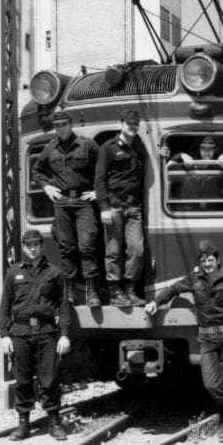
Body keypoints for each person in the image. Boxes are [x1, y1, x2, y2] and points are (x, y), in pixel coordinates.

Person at [144, 240, 223, 442]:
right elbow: (173, 289)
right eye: (203, 260)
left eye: (210, 260)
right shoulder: (194, 279)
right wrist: (155, 302)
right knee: (211, 384)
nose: (207, 264)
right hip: (207, 341)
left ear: (217, 259)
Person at [0, 229, 71, 441]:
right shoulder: (13, 273)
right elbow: (4, 306)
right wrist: (4, 335)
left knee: (49, 380)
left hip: (47, 332)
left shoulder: (55, 272)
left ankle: (54, 422)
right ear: (23, 247)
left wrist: (64, 334)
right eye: (28, 245)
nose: (32, 248)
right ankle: (23, 424)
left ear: (42, 246)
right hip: (20, 333)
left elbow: (64, 306)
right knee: (22, 380)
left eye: (36, 245)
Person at [32, 111, 101, 307]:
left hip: (83, 201)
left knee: (87, 245)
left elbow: (104, 167)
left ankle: (92, 291)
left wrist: (98, 191)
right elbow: (36, 170)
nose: (61, 128)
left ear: (70, 124)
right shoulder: (50, 148)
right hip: (61, 202)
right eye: (58, 125)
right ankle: (69, 291)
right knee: (66, 247)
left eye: (64, 124)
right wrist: (46, 186)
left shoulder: (86, 144)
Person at [94, 110, 147, 307]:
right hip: (114, 206)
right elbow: (99, 180)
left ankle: (130, 289)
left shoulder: (140, 145)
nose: (133, 127)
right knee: (113, 251)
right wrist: (104, 207)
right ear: (120, 123)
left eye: (136, 123)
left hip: (134, 207)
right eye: (129, 123)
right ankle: (115, 292)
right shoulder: (108, 148)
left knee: (137, 249)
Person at [162, 136, 223, 203]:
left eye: (211, 148)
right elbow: (166, 169)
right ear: (199, 149)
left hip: (214, 210)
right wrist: (180, 156)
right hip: (189, 210)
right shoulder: (190, 164)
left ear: (215, 150)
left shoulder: (221, 165)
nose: (207, 151)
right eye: (203, 148)